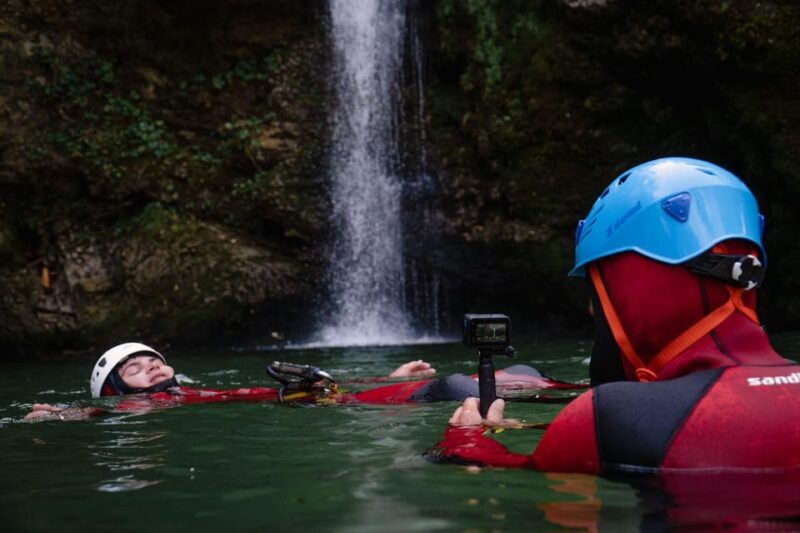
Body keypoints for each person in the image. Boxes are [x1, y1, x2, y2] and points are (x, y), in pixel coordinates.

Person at [435, 157, 800, 475]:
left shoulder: (611, 415)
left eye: (599, 290)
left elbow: (534, 492)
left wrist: (466, 438)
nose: (593, 310)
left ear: (631, 287)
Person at [26, 342, 580, 421]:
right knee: (460, 384)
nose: (149, 365)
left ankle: (578, 392)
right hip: (330, 405)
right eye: (133, 368)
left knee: (520, 372)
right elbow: (97, 415)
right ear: (117, 389)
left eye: (152, 358)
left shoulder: (187, 392)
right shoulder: (136, 411)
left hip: (329, 397)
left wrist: (386, 378)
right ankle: (586, 396)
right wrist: (65, 415)